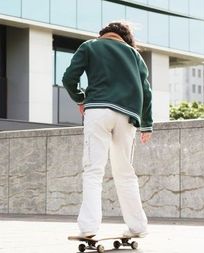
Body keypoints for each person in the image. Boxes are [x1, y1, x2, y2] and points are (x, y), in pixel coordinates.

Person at [62, 22, 152, 239]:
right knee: (125, 173)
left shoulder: (90, 46)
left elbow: (68, 79)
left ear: (103, 34)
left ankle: (89, 227)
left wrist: (80, 98)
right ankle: (138, 227)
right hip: (127, 115)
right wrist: (146, 125)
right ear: (125, 38)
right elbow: (146, 92)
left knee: (93, 170)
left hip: (98, 111)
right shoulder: (135, 56)